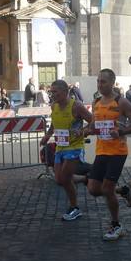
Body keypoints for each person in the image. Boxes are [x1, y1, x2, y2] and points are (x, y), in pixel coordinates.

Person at [83, 69, 131, 241]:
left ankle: (116, 225)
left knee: (107, 189)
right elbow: (95, 124)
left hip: (118, 151)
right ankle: (124, 190)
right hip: (101, 150)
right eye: (98, 81)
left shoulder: (121, 102)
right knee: (93, 189)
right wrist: (87, 130)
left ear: (113, 83)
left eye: (104, 82)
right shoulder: (95, 102)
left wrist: (121, 131)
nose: (100, 85)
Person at [40, 80, 93, 221]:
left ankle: (74, 207)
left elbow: (93, 121)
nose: (52, 94)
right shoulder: (54, 106)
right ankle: (85, 178)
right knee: (58, 180)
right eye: (51, 91)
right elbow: (54, 123)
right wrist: (48, 135)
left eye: (55, 91)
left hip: (74, 147)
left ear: (65, 91)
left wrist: (83, 130)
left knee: (65, 178)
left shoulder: (76, 106)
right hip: (60, 146)